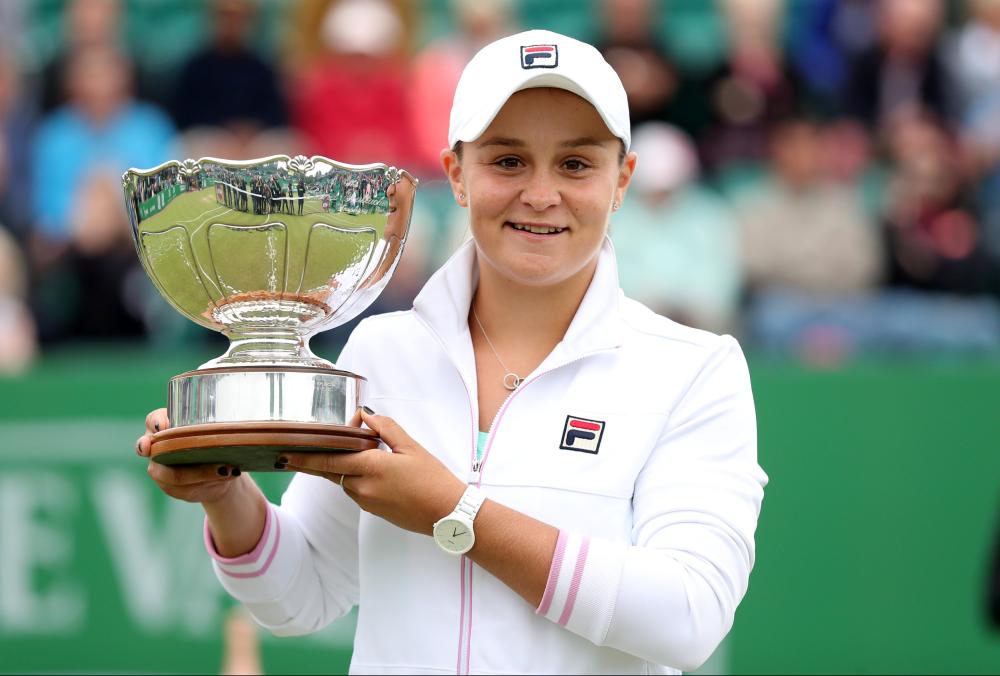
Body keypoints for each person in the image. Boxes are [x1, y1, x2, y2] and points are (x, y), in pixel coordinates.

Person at [136, 29, 767, 675]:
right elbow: (300, 598)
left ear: (622, 180)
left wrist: (454, 511)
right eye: (507, 161)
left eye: (576, 164)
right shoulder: (382, 350)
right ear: (456, 175)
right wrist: (222, 493)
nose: (542, 194)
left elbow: (690, 618)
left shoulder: (694, 369)